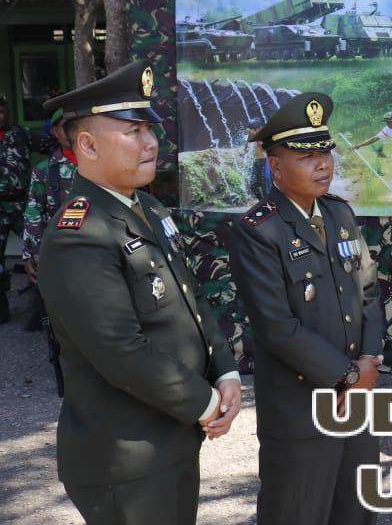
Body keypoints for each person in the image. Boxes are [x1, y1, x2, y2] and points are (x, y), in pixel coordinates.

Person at [37, 59, 241, 525]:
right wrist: (205, 402)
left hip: (168, 439)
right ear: (86, 144)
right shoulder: (80, 231)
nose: (150, 142)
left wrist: (224, 369)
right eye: (132, 131)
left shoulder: (145, 207)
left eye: (150, 129)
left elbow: (189, 298)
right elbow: (119, 348)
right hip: (126, 458)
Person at [229, 92, 383, 525]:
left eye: (325, 152)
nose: (322, 164)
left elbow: (368, 290)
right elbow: (277, 326)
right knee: (298, 510)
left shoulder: (340, 214)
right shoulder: (259, 230)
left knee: (356, 509)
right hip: (302, 407)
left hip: (356, 398)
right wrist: (347, 375)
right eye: (306, 155)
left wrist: (369, 361)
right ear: (275, 166)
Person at [20, 108, 77, 332]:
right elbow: (34, 211)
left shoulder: (100, 163)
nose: (70, 132)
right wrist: (31, 254)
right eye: (65, 126)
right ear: (55, 131)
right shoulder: (45, 171)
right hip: (63, 253)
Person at [0, 93, 34, 323]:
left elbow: (56, 143)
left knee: (37, 252)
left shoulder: (21, 134)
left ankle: (41, 310)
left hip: (23, 203)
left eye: (1, 110)